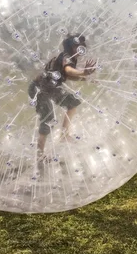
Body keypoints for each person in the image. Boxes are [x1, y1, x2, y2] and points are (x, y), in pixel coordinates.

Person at [28, 33, 96, 161]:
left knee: (73, 103)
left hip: (51, 88)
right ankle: (39, 156)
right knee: (48, 119)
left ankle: (64, 135)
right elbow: (68, 71)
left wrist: (85, 78)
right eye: (78, 45)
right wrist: (83, 72)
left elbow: (67, 76)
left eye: (82, 45)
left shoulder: (71, 58)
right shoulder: (66, 56)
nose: (80, 48)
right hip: (40, 88)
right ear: (71, 46)